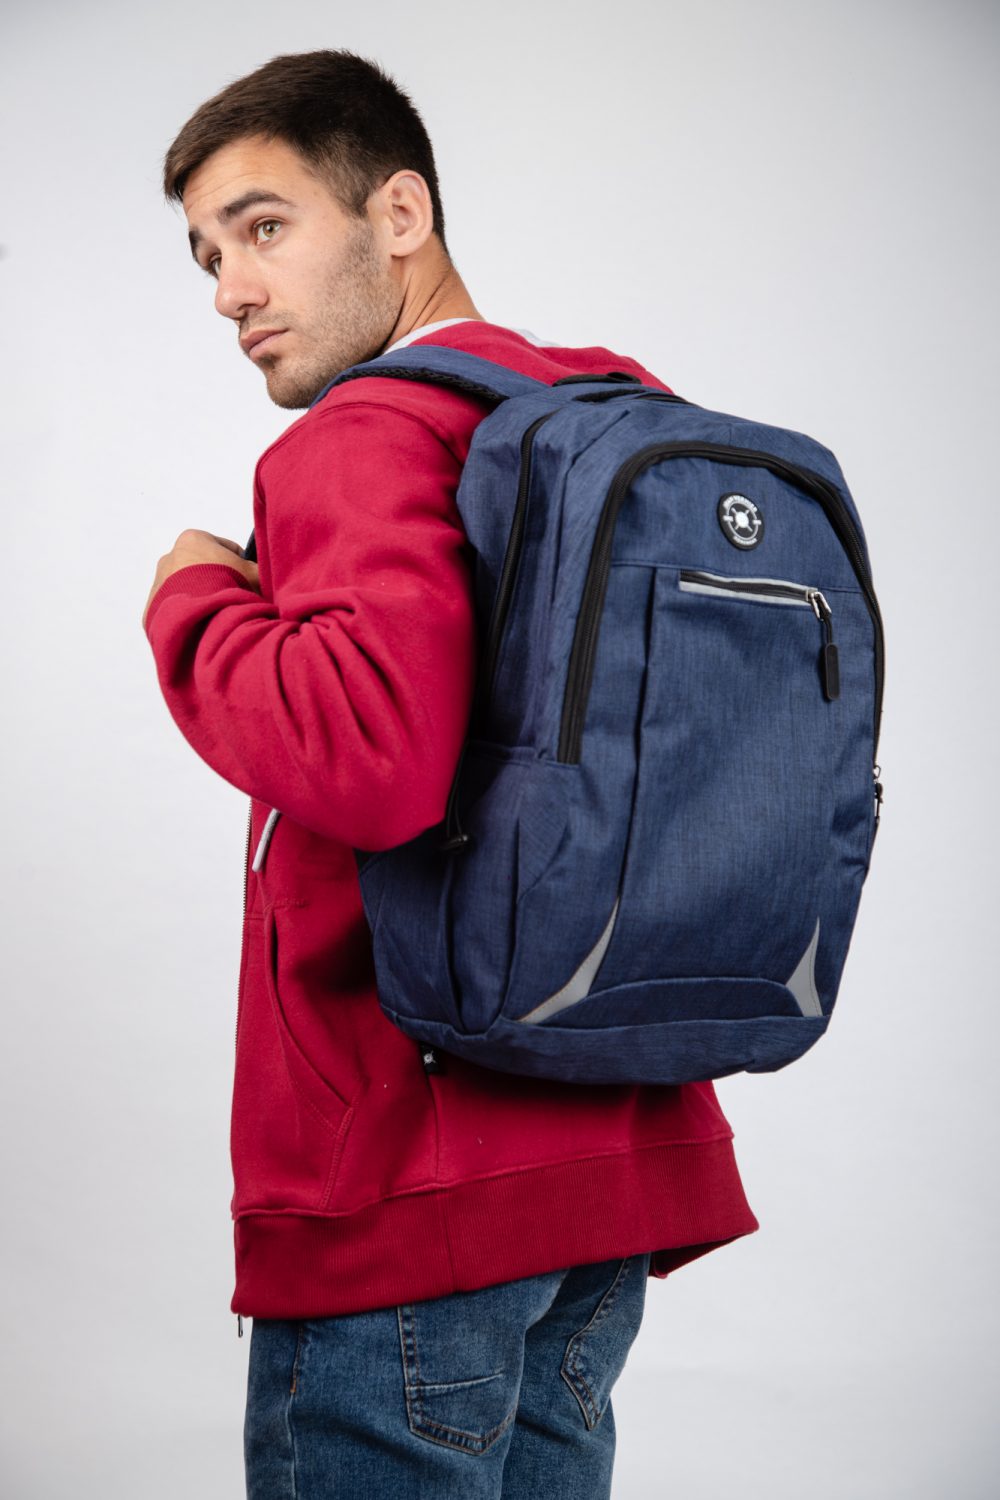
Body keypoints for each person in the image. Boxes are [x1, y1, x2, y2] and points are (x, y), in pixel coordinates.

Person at [143, 48, 760, 1499]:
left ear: (400, 213)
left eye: (265, 226)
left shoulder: (364, 435)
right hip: (612, 1162)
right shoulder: (614, 411)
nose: (230, 288)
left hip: (407, 1193)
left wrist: (193, 600)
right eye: (208, 255)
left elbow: (369, 761)